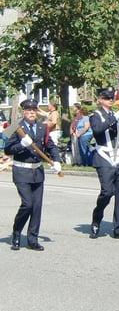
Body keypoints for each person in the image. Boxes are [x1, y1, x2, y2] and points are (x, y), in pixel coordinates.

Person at [5, 99, 62, 251]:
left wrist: (56, 160)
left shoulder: (42, 128)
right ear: (23, 112)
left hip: (37, 171)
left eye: (34, 110)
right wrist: (21, 145)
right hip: (22, 171)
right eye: (28, 110)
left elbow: (50, 145)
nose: (31, 113)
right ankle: (16, 233)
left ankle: (32, 239)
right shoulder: (16, 127)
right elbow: (7, 150)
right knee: (27, 204)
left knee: (36, 207)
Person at [89, 88, 119, 240]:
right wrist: (114, 118)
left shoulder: (118, 115)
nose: (110, 100)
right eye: (106, 98)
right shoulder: (95, 115)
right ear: (100, 99)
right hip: (104, 157)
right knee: (107, 192)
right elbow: (97, 130)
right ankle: (97, 218)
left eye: (111, 98)